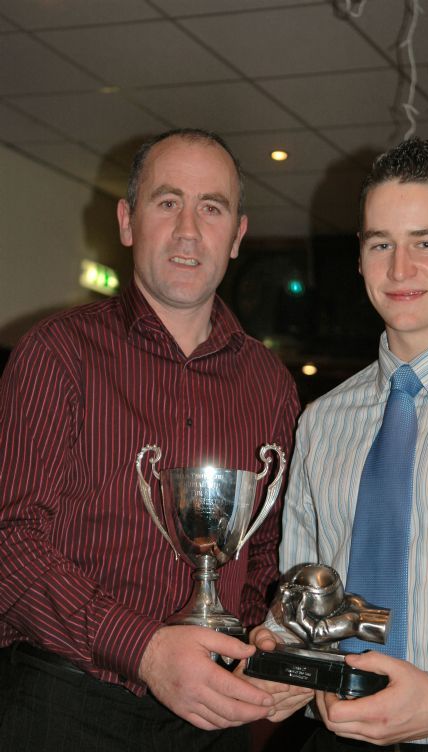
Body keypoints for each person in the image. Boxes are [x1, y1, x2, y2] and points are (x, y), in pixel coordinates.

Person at [0, 128, 309, 751]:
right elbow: (10, 543)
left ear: (238, 235)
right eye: (168, 202)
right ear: (127, 221)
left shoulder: (271, 384)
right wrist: (144, 649)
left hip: (210, 721)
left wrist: (268, 647)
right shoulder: (56, 354)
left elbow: (264, 558)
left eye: (211, 208)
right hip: (65, 707)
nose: (189, 230)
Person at [253, 137, 428, 750]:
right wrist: (283, 653)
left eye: (426, 243)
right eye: (380, 244)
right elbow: (303, 594)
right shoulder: (322, 421)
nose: (399, 269)